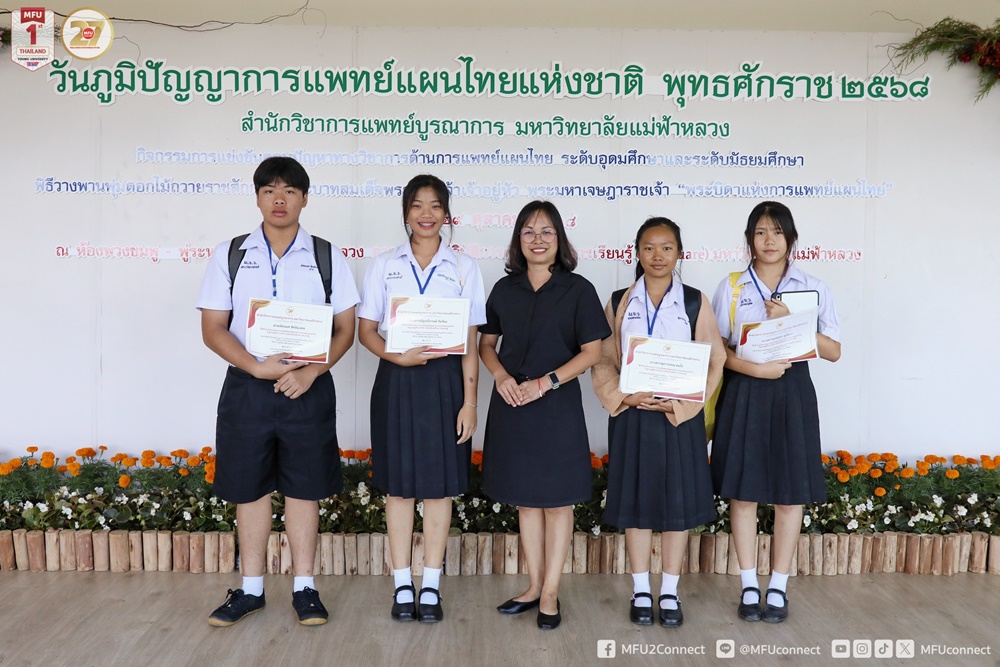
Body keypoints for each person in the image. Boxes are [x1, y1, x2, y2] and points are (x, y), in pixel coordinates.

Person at [197, 156, 359, 627]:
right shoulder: (231, 253)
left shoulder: (326, 255)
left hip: (307, 388)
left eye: (289, 190)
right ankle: (250, 590)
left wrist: (311, 373)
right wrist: (256, 366)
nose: (279, 199)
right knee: (249, 489)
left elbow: (346, 329)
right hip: (247, 388)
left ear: (304, 198)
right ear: (257, 198)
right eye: (269, 190)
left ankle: (305, 588)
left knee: (303, 489)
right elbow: (212, 327)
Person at [357, 174, 484, 623]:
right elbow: (366, 332)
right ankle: (401, 584)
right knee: (398, 488)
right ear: (405, 213)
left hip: (446, 384)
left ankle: (430, 584)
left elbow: (470, 342)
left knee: (438, 487)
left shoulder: (464, 267)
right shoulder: (384, 265)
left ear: (446, 214)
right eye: (417, 205)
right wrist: (398, 356)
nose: (426, 214)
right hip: (397, 379)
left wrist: (470, 402)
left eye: (435, 206)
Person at [479, 200, 611, 630]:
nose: (538, 239)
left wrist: (546, 382)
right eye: (529, 232)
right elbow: (486, 344)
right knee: (526, 501)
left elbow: (592, 352)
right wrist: (501, 376)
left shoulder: (578, 289)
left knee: (556, 503)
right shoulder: (504, 289)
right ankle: (534, 586)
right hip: (513, 403)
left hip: (556, 406)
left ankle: (551, 591)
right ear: (518, 239)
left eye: (547, 231)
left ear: (560, 239)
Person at [710, 201, 841, 623]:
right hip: (745, 389)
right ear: (750, 239)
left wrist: (795, 321)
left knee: (789, 493)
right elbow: (717, 351)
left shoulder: (813, 287)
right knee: (744, 492)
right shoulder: (732, 287)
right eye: (761, 232)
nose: (769, 241)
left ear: (791, 238)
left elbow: (834, 351)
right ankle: (749, 584)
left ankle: (779, 586)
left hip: (792, 391)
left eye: (778, 232)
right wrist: (753, 369)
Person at [592, 217, 726, 628]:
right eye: (649, 247)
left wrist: (681, 405)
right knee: (636, 506)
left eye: (667, 247)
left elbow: (715, 359)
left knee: (675, 506)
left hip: (677, 420)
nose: (657, 255)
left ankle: (668, 591)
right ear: (637, 252)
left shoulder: (694, 301)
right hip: (632, 416)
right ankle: (640, 590)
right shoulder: (619, 301)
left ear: (679, 254)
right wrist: (623, 397)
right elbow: (602, 360)